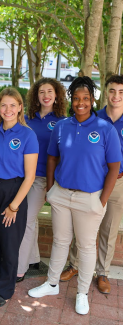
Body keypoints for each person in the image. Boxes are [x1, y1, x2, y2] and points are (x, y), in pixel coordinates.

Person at [28, 76, 121, 315]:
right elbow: (51, 158)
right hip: (61, 194)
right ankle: (51, 283)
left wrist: (101, 200)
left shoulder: (104, 128)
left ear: (92, 100)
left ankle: (81, 293)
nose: (81, 103)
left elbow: (114, 166)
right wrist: (50, 189)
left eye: (86, 99)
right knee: (60, 241)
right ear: (71, 99)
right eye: (77, 98)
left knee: (86, 246)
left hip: (89, 198)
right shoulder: (62, 126)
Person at [0, 88, 39, 307]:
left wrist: (13, 206)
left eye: (13, 105)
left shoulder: (27, 135)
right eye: (3, 105)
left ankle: (4, 290)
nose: (8, 109)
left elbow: (30, 177)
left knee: (9, 244)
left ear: (20, 107)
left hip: (14, 191)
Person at [60, 74, 123, 294]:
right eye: (112, 91)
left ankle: (102, 272)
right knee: (82, 228)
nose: (116, 96)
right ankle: (74, 265)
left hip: (118, 182)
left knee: (109, 229)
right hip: (93, 181)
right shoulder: (94, 117)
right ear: (105, 93)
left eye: (121, 92)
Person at [17, 78, 67, 281]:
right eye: (41, 92)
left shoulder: (63, 121)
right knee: (31, 219)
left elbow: (62, 155)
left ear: (57, 96)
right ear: (36, 96)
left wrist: (51, 184)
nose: (46, 95)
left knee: (26, 220)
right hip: (22, 176)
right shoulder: (28, 118)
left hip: (42, 178)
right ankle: (33, 259)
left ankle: (19, 268)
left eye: (50, 92)